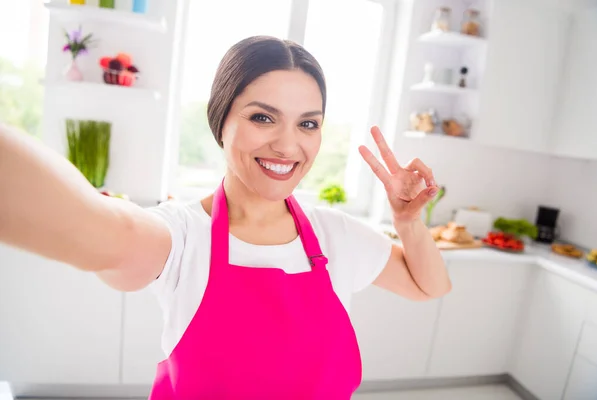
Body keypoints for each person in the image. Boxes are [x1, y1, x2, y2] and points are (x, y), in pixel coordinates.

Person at [0, 36, 451, 399]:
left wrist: (409, 222)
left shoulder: (337, 236)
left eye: (308, 124)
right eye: (263, 117)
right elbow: (101, 229)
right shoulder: (181, 238)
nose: (288, 146)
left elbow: (430, 287)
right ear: (221, 121)